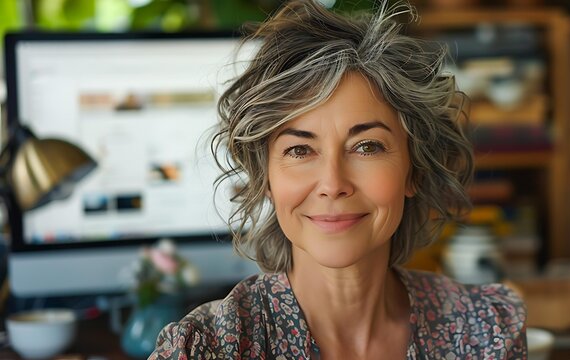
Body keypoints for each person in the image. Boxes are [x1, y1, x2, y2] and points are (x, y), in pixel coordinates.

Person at [150, 0, 526, 358]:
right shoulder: (207, 348)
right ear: (265, 176)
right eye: (300, 150)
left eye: (366, 147)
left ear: (415, 168)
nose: (333, 183)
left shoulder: (485, 333)